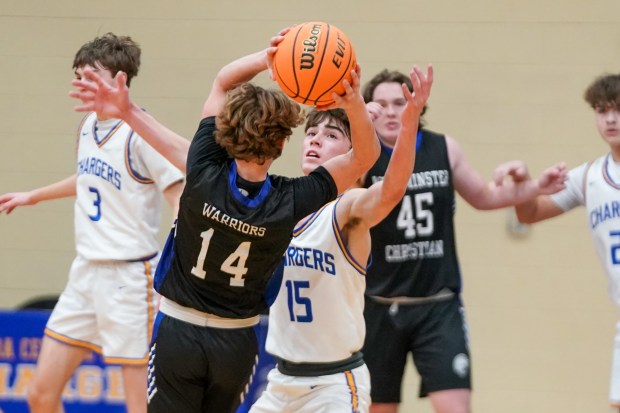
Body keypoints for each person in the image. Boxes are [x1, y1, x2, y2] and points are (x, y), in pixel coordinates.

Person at [69, 29, 380, 413]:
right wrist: (352, 102)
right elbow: (365, 158)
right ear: (283, 144)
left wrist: (272, 59)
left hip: (178, 330)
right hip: (236, 341)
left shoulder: (202, 168)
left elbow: (223, 80)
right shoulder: (292, 199)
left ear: (223, 134)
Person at [359, 69, 568, 413]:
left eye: (400, 102)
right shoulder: (361, 159)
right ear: (368, 110)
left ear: (417, 105)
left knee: (456, 408)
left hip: (437, 305)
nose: (392, 111)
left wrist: (537, 187)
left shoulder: (443, 147)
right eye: (381, 104)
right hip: (379, 304)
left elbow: (484, 196)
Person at [0, 33, 185, 413]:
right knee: (40, 394)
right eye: (78, 75)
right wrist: (33, 195)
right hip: (85, 273)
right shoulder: (87, 126)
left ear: (119, 80)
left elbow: (180, 199)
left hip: (131, 278)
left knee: (138, 404)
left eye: (90, 76)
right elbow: (90, 178)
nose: (81, 84)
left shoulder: (141, 133)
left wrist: (173, 272)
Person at [249, 65, 433, 413]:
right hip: (281, 383)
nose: (316, 138)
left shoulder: (347, 209)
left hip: (334, 386)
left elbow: (392, 190)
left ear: (355, 156)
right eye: (312, 132)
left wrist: (407, 126)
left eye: (331, 135)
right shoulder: (278, 202)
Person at [512, 72, 620, 411]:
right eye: (602, 110)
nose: (611, 118)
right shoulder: (589, 176)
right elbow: (529, 214)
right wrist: (524, 185)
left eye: (618, 109)